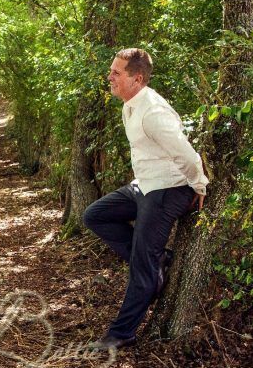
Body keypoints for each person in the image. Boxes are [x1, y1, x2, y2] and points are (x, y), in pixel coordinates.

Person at [84, 48, 209, 350]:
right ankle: (158, 260)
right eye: (111, 70)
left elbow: (187, 154)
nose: (109, 76)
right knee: (94, 216)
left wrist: (199, 186)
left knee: (142, 265)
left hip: (169, 188)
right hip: (145, 185)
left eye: (116, 72)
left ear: (137, 78)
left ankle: (122, 332)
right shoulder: (130, 103)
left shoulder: (153, 112)